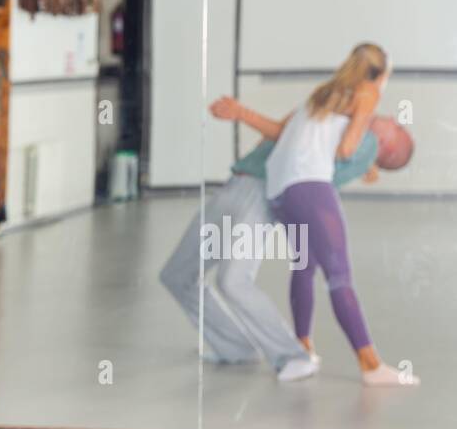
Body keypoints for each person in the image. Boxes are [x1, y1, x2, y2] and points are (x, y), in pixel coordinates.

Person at [160, 99, 413, 382]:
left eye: (398, 126)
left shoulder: (363, 143)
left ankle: (293, 356)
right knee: (177, 276)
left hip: (256, 192)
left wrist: (241, 112)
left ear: (386, 146)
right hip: (234, 187)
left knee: (233, 280)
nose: (392, 117)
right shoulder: (343, 127)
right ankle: (235, 347)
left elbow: (288, 137)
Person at [262, 43, 417, 386]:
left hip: (281, 190)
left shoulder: (321, 93)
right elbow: (347, 148)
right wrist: (365, 156)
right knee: (339, 276)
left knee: (304, 267)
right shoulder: (368, 92)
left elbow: (304, 137)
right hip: (311, 188)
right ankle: (371, 365)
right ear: (382, 74)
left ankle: (303, 351)